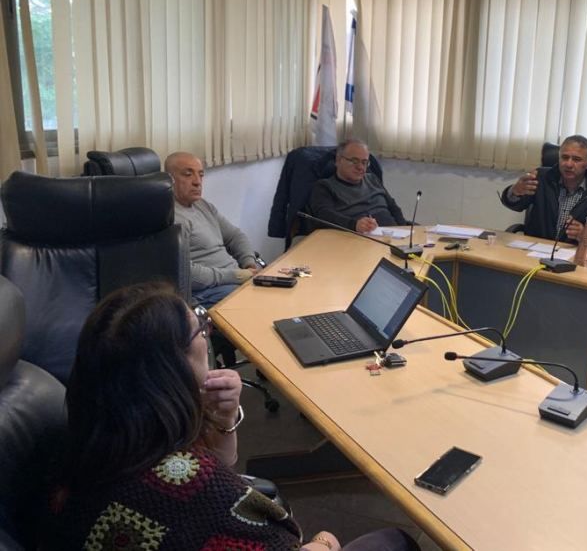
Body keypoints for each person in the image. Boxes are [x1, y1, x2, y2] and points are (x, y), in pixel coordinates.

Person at [43, 283, 419, 551]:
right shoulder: (196, 488)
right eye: (200, 329)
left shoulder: (92, 438)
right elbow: (284, 538)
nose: (206, 335)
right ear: (173, 368)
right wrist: (325, 542)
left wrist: (222, 419)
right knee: (395, 541)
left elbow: (217, 470)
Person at [166, 151, 259, 308]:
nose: (197, 182)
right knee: (257, 301)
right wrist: (236, 275)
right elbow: (186, 273)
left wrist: (249, 263)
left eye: (201, 175)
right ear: (169, 179)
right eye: (188, 174)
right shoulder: (170, 217)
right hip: (208, 291)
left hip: (235, 279)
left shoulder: (203, 205)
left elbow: (235, 236)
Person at [500, 135, 587, 249]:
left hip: (575, 254)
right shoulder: (541, 178)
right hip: (537, 249)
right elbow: (515, 204)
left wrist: (586, 235)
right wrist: (515, 191)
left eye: (576, 159)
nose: (568, 164)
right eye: (564, 157)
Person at [308, 139, 408, 234]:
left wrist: (405, 230)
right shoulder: (324, 186)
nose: (360, 167)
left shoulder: (373, 179)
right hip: (355, 238)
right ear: (338, 160)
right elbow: (324, 216)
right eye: (354, 161)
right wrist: (354, 225)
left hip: (392, 235)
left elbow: (393, 208)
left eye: (364, 162)